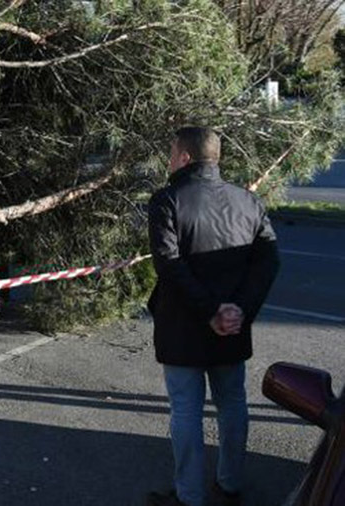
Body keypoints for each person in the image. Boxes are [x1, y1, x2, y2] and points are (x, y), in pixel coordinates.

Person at [146, 127, 280, 506]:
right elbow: (268, 261)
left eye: (172, 152)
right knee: (232, 404)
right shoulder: (248, 202)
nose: (169, 159)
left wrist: (210, 312)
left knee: (186, 410)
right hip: (232, 329)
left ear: (186, 157)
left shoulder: (166, 200)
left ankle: (189, 497)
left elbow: (169, 266)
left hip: (183, 327)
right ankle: (230, 485)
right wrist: (240, 309)